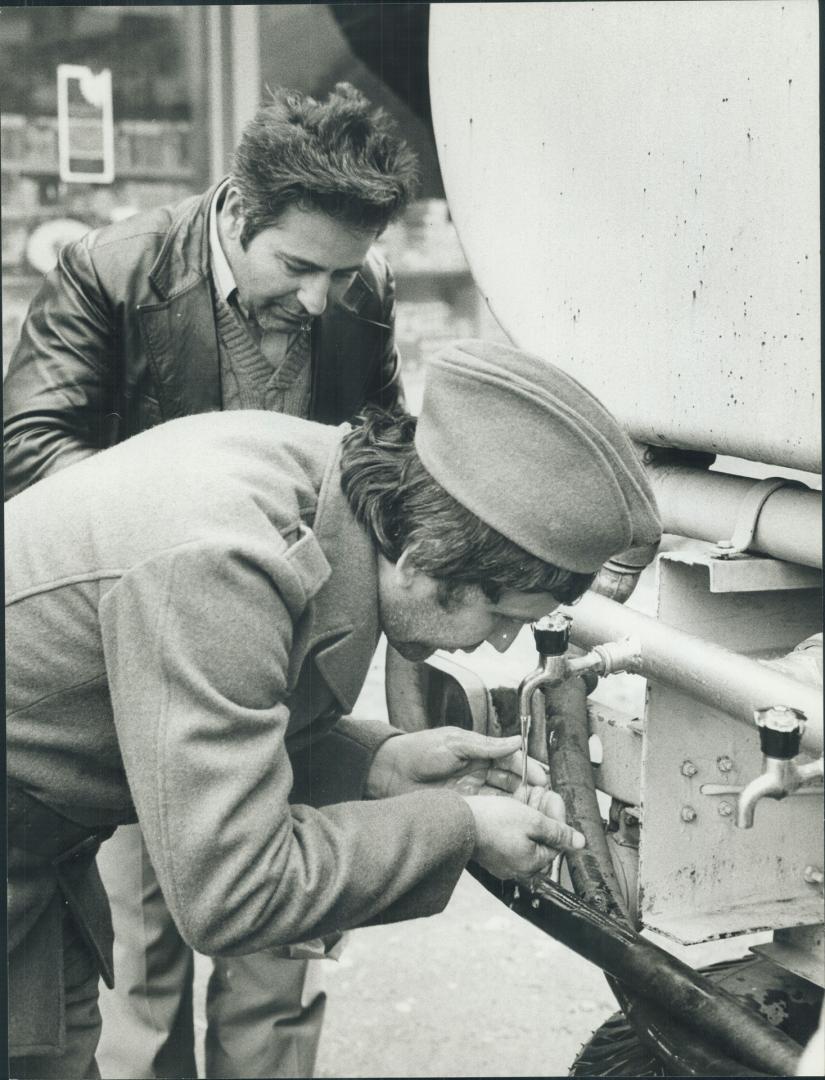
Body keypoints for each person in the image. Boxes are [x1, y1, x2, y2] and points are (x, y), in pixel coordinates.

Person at [6, 338, 662, 1080]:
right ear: (422, 564)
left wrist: (378, 765)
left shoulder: (320, 482)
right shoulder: (222, 562)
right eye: (503, 615)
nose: (497, 643)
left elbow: (197, 715)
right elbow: (232, 891)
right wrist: (461, 828)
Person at [3, 82, 418, 1079]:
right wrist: (191, 552)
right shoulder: (112, 267)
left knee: (281, 939)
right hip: (144, 644)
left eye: (343, 273)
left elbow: (382, 459)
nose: (321, 298)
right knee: (151, 933)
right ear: (239, 209)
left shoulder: (359, 295)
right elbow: (26, 451)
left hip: (280, 656)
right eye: (299, 267)